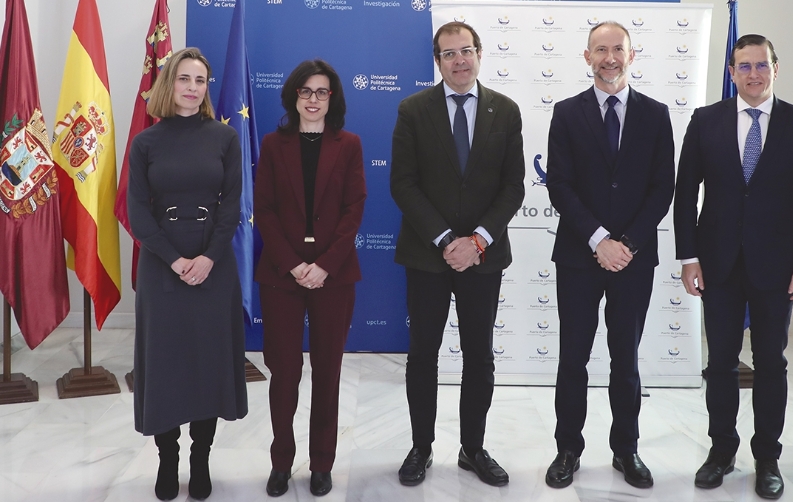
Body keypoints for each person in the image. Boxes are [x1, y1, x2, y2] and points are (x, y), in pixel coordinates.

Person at [673, 34, 793, 500]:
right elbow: (685, 193)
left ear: (775, 69)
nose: (754, 74)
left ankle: (767, 458)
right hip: (717, 264)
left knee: (771, 364)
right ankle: (721, 451)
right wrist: (688, 256)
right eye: (744, 66)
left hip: (778, 267)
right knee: (720, 362)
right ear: (731, 72)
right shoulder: (705, 121)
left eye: (762, 65)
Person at [390, 21, 525, 488]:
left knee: (479, 356)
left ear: (479, 54)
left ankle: (473, 448)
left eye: (466, 50)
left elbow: (513, 186)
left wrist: (478, 241)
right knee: (422, 355)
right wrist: (448, 240)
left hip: (483, 257)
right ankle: (421, 447)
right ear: (438, 61)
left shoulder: (505, 110)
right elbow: (402, 183)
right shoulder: (413, 109)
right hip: (428, 255)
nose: (459, 60)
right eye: (449, 54)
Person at [544, 21, 675, 490]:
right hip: (579, 257)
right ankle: (567, 449)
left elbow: (663, 188)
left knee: (626, 360)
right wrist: (599, 239)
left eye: (618, 48)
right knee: (572, 358)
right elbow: (559, 185)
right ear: (587, 57)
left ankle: (627, 450)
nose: (609, 58)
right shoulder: (566, 113)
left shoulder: (656, 114)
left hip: (633, 261)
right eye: (600, 50)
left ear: (631, 55)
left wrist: (627, 244)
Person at [128, 47, 247, 501]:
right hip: (162, 268)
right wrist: (175, 260)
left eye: (200, 80)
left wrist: (208, 258)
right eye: (184, 79)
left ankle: (200, 458)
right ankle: (167, 458)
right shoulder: (146, 143)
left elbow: (232, 206)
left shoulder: (224, 138)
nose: (193, 88)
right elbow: (138, 212)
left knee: (207, 364)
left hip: (213, 267)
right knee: (166, 365)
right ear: (169, 84)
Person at [255, 59, 366, 498]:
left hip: (333, 276)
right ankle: (281, 462)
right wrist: (293, 264)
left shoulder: (349, 144)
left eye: (322, 92)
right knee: (284, 373)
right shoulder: (273, 144)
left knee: (327, 371)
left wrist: (324, 265)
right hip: (281, 275)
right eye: (306, 91)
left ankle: (322, 463)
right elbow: (264, 209)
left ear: (332, 98)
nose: (314, 99)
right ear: (294, 96)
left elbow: (354, 208)